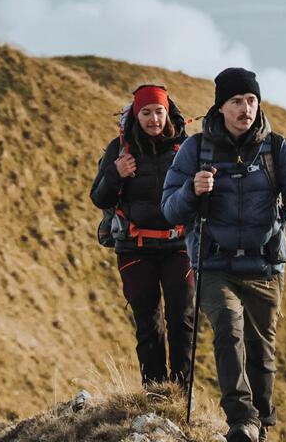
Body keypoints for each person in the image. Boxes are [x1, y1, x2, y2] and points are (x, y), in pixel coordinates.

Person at [162, 67, 286, 442]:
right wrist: (192, 190)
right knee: (228, 330)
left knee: (261, 349)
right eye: (237, 101)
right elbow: (170, 208)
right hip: (215, 264)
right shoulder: (196, 149)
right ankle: (241, 419)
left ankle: (260, 423)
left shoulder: (278, 148)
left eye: (251, 101)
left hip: (264, 265)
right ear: (220, 107)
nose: (245, 109)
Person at [90, 84, 196, 391]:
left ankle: (180, 392)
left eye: (159, 112)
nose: (153, 119)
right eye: (146, 112)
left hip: (179, 246)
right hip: (134, 249)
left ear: (168, 113)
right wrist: (115, 173)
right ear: (136, 115)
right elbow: (98, 197)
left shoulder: (186, 148)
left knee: (182, 319)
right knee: (148, 324)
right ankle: (154, 391)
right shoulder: (119, 149)